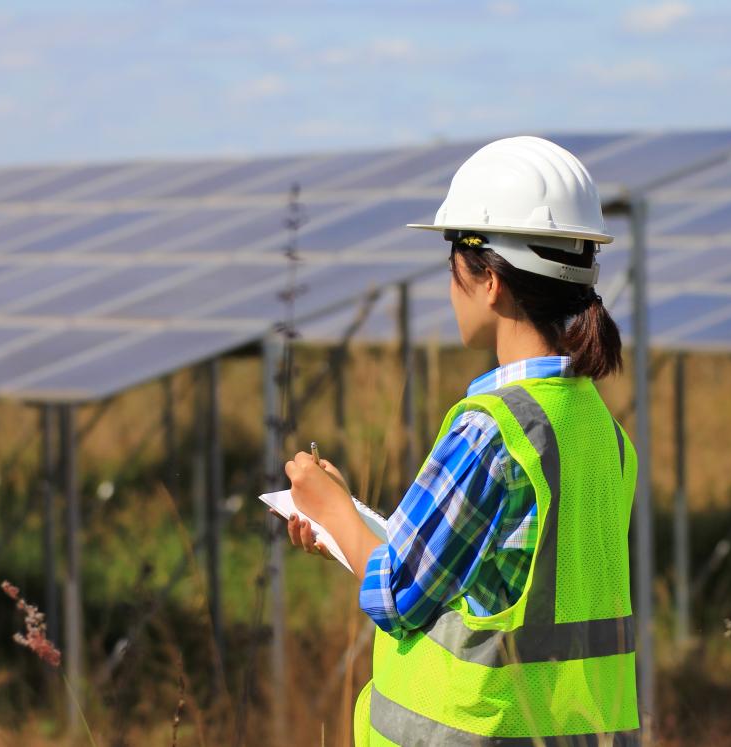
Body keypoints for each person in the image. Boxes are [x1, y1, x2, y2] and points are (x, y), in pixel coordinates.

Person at [282, 136, 640, 746]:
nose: (450, 286)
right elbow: (496, 589)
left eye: (453, 264)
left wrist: (332, 506)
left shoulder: (493, 430)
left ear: (491, 281)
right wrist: (347, 533)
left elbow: (397, 595)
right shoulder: (602, 431)